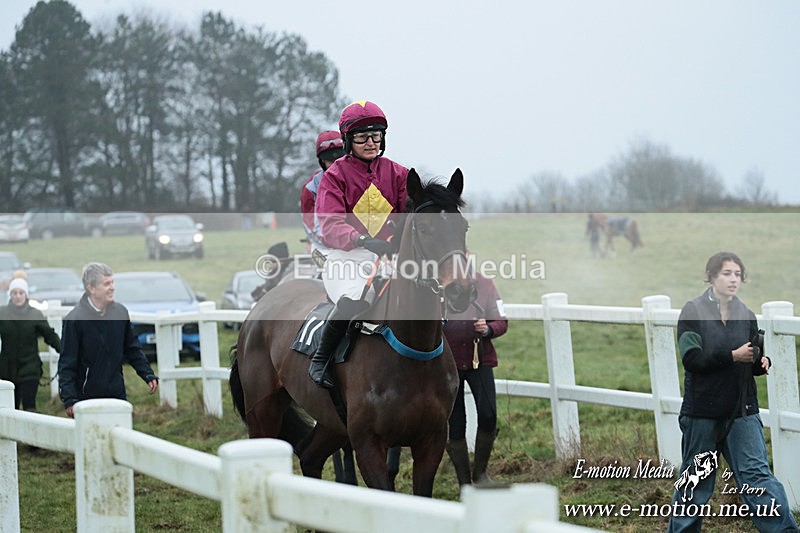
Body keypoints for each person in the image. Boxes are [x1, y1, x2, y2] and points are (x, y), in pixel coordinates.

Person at [667, 252, 798, 532]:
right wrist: (732, 356)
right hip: (703, 413)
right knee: (696, 482)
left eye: (737, 274)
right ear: (712, 276)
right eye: (727, 273)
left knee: (758, 478)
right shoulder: (693, 312)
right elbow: (692, 359)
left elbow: (749, 360)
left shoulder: (746, 315)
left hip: (742, 412)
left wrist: (761, 363)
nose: (733, 279)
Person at [308, 100, 408, 388]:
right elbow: (329, 224)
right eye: (362, 137)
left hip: (390, 255)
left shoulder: (398, 173)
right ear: (348, 140)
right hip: (347, 257)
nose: (371, 143)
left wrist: (393, 240)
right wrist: (361, 239)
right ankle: (321, 359)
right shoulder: (335, 176)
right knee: (357, 300)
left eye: (376, 136)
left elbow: (406, 216)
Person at [58, 263, 159, 417]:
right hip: (86, 398)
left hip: (116, 393)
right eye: (106, 284)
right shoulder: (74, 320)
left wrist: (148, 374)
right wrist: (70, 399)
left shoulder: (120, 312)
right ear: (91, 288)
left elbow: (132, 349)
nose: (112, 287)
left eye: (112, 282)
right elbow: (67, 362)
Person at [444, 270, 508, 485]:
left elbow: (501, 320)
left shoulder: (485, 283)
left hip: (479, 359)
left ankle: (480, 474)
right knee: (456, 423)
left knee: (489, 416)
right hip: (448, 364)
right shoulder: (438, 285)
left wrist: (488, 328)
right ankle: (464, 482)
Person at [0, 278, 61, 412]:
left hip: (30, 368)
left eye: (21, 293)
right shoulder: (2, 313)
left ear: (26, 295)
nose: (18, 296)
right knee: (10, 408)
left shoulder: (35, 314)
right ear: (10, 295)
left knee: (29, 407)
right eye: (14, 293)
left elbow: (49, 335)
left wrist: (64, 350)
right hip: (7, 370)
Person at [301, 130, 346, 253]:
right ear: (322, 162)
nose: (336, 165)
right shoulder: (311, 188)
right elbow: (311, 224)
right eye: (330, 161)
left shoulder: (359, 179)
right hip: (324, 245)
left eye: (340, 159)